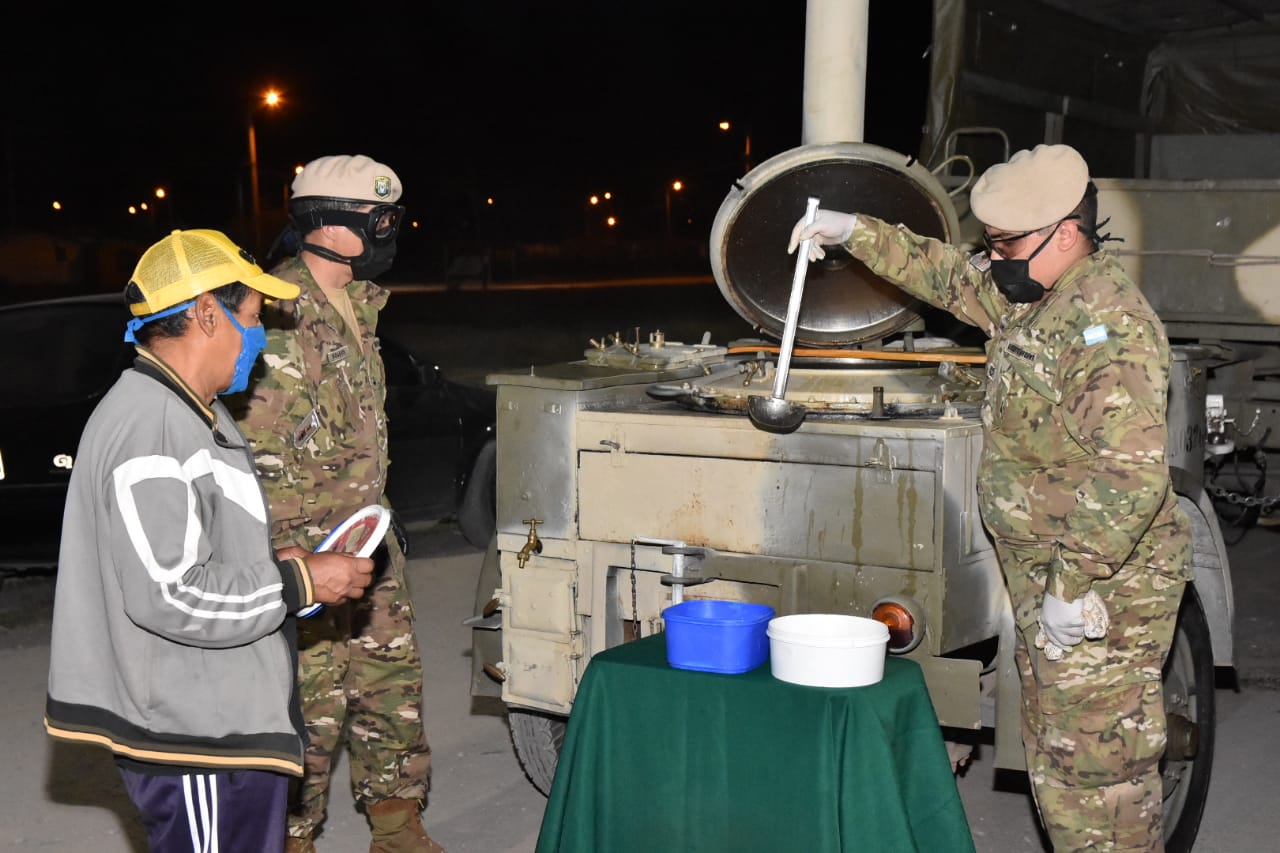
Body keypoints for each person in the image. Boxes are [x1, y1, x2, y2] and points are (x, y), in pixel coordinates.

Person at [789, 144, 1192, 851]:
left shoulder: (1108, 326)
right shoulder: (1029, 292)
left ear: (1066, 233)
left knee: (1100, 779)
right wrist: (854, 230)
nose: (994, 256)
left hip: (1106, 591)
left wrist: (1071, 584)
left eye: (1006, 242)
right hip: (1051, 577)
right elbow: (944, 273)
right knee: (1059, 767)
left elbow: (1130, 476)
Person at [44, 228, 376, 853]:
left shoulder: (194, 408)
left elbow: (188, 547)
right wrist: (300, 582)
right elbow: (171, 593)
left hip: (218, 714)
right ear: (203, 313)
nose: (261, 337)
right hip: (193, 736)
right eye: (251, 318)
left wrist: (275, 562)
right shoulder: (152, 424)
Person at [229, 154, 443, 853]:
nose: (390, 232)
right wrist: (294, 564)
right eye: (378, 221)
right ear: (327, 225)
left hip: (366, 539)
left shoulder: (362, 304)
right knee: (307, 713)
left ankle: (396, 826)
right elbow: (255, 461)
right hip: (304, 554)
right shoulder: (278, 314)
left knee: (389, 688)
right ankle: (289, 837)